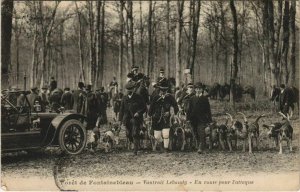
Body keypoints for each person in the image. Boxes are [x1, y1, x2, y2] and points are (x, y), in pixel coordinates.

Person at [148, 80, 179, 152]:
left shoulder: (170, 97)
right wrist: (150, 116)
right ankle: (161, 143)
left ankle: (165, 148)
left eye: (165, 90)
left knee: (166, 134)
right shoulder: (155, 98)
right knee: (157, 136)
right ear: (159, 89)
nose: (163, 91)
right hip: (156, 119)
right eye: (162, 90)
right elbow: (151, 108)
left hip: (166, 118)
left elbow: (176, 107)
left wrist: (171, 113)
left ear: (167, 90)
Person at [119, 81, 147, 155]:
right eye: (127, 89)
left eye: (130, 89)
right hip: (127, 119)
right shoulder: (124, 98)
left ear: (133, 89)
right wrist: (120, 120)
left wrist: (138, 112)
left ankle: (135, 150)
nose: (129, 91)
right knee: (128, 134)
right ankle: (134, 143)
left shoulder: (138, 97)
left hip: (136, 119)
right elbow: (121, 110)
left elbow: (144, 108)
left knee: (135, 133)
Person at [187, 82, 212, 154]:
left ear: (202, 90)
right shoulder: (192, 98)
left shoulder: (205, 99)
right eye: (197, 89)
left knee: (201, 132)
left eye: (199, 89)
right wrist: (188, 119)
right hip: (193, 119)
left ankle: (201, 147)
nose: (198, 90)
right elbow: (189, 109)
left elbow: (208, 110)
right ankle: (199, 145)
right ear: (195, 90)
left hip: (202, 119)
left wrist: (210, 120)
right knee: (195, 133)